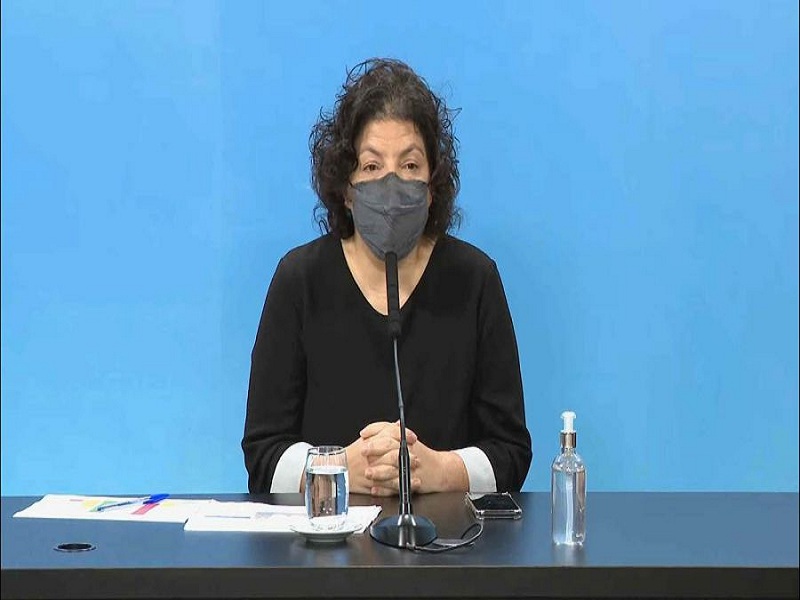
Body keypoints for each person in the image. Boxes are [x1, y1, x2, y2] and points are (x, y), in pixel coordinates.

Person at [242, 58, 532, 497]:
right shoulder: (299, 280)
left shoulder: (475, 280)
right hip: (328, 538)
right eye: (372, 167)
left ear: (432, 186)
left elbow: (511, 453)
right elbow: (262, 457)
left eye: (410, 166)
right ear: (346, 188)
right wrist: (338, 467)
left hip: (448, 537)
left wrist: (438, 470)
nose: (392, 187)